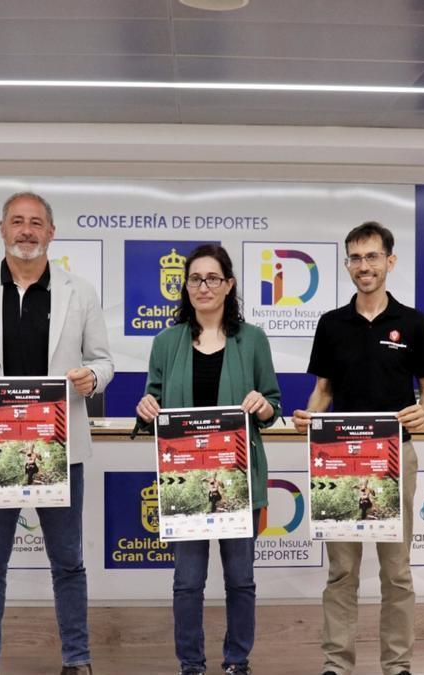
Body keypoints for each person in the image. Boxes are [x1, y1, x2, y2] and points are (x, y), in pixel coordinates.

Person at [0, 191, 114, 675]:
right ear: (1, 228)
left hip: (59, 446)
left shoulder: (79, 290)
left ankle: (77, 660)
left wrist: (93, 378)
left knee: (68, 561)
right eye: (17, 221)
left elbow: (104, 361)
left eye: (36, 222)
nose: (26, 231)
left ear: (51, 233)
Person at [290, 221, 424, 675]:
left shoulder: (412, 321)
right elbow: (323, 391)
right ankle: (337, 664)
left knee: (396, 574)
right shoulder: (331, 324)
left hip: (395, 459)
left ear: (390, 261)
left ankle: (397, 666)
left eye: (372, 256)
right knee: (341, 573)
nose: (363, 266)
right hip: (339, 461)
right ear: (348, 264)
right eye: (355, 258)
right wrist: (308, 417)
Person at [135, 243, 281, 675]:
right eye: (195, 279)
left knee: (241, 581)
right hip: (185, 482)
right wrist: (146, 409)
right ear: (186, 286)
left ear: (229, 284)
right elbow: (153, 405)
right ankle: (191, 665)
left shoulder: (252, 340)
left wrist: (262, 406)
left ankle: (237, 661)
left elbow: (273, 406)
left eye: (212, 278)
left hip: (239, 483)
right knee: (187, 583)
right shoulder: (166, 341)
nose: (203, 287)